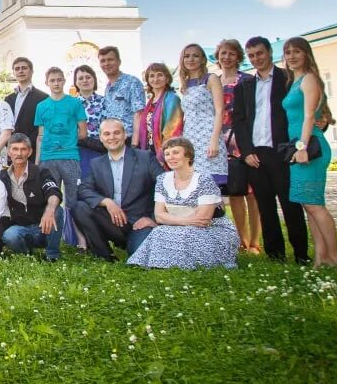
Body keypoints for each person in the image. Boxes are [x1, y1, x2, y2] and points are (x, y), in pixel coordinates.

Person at [231, 37, 309, 264]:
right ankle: (275, 255)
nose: (256, 58)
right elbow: (239, 121)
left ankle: (301, 254)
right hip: (256, 155)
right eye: (252, 55)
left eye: (260, 53)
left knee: (290, 204)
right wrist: (246, 152)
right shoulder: (245, 86)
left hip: (282, 151)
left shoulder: (288, 78)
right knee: (265, 206)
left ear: (269, 52)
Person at [127, 137, 238, 270]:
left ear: (188, 155)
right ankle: (164, 264)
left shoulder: (204, 180)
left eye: (175, 152)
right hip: (181, 226)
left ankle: (178, 264)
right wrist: (186, 220)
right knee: (158, 232)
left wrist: (172, 220)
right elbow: (159, 216)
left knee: (185, 235)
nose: (170, 157)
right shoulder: (163, 179)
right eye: (167, 154)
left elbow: (203, 219)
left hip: (212, 229)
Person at [282, 37, 337, 267]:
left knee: (316, 205)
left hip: (310, 148)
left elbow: (309, 115)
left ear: (306, 54)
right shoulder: (294, 81)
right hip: (299, 147)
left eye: (297, 51)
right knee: (309, 205)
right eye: (288, 52)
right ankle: (320, 258)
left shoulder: (309, 79)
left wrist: (302, 147)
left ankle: (335, 259)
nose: (291, 56)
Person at [71, 118, 163, 260]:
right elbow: (84, 190)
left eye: (116, 133)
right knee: (79, 207)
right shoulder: (96, 163)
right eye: (107, 134)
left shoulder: (145, 157)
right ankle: (105, 255)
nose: (112, 137)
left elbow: (165, 187)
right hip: (112, 223)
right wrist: (107, 202)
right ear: (101, 138)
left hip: (140, 222)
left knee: (139, 256)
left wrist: (153, 218)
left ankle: (133, 244)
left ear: (125, 135)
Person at [216, 38, 262, 254]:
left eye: (231, 53)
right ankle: (241, 240)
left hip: (245, 139)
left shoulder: (248, 80)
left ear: (238, 57)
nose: (226, 57)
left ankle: (255, 241)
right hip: (222, 142)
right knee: (235, 191)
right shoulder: (214, 81)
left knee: (252, 193)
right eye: (223, 53)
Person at [0, 135, 62, 261]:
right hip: (21, 228)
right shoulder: (3, 177)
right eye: (15, 149)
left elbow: (53, 191)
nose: (19, 153)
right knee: (10, 235)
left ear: (30, 152)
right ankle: (27, 256)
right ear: (9, 152)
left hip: (44, 226)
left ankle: (52, 255)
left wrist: (49, 210)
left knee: (57, 210)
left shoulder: (41, 172)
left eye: (23, 149)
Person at [32, 67, 87, 211]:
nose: (56, 83)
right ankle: (54, 232)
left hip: (69, 156)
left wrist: (67, 141)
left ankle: (72, 233)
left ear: (64, 81)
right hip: (47, 157)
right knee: (49, 199)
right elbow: (40, 136)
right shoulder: (41, 106)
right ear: (46, 83)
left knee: (73, 199)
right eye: (52, 80)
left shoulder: (75, 103)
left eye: (59, 80)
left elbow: (83, 132)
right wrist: (37, 162)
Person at [178, 44, 227, 186]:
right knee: (195, 187)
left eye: (195, 55)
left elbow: (219, 111)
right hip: (191, 139)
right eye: (187, 56)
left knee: (211, 187)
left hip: (208, 136)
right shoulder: (185, 85)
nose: (191, 59)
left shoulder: (211, 79)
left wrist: (214, 140)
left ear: (202, 59)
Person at [134, 62, 182, 163]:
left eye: (160, 75)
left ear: (167, 78)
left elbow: (173, 130)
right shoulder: (150, 102)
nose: (156, 79)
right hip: (149, 152)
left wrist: (163, 155)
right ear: (147, 80)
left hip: (165, 154)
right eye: (152, 76)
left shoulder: (172, 99)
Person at [98, 46, 146, 140]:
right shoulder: (107, 88)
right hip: (112, 141)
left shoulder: (132, 82)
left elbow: (139, 113)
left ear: (119, 61)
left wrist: (134, 143)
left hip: (128, 139)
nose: (106, 63)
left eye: (110, 59)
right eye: (103, 61)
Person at [5, 57, 47, 161]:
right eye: (17, 69)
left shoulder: (43, 98)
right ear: (14, 73)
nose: (20, 71)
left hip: (32, 151)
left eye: (24, 68)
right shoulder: (8, 99)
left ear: (32, 71)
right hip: (12, 152)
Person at [73, 64, 107, 170]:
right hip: (77, 150)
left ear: (94, 80)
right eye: (81, 78)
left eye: (88, 77)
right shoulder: (71, 104)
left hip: (99, 150)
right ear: (76, 82)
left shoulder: (104, 101)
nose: (85, 81)